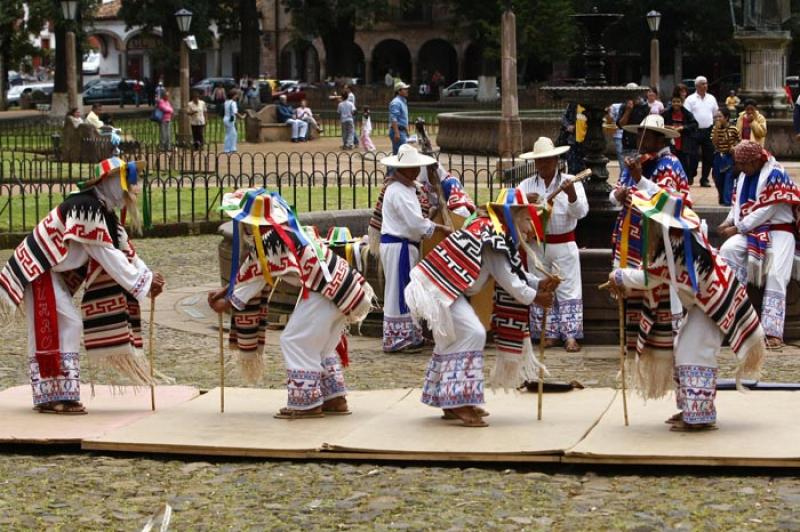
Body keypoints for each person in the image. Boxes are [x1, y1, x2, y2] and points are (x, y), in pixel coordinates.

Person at [0, 157, 166, 414]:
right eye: (124, 184)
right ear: (110, 183)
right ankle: (55, 395)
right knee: (64, 324)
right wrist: (142, 283)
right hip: (39, 269)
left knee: (59, 325)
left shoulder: (104, 213)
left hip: (50, 271)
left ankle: (54, 394)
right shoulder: (85, 207)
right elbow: (103, 253)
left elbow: (125, 251)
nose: (129, 191)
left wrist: (147, 275)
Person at [208, 189, 374, 419]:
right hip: (344, 288)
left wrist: (225, 302)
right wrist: (226, 291)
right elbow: (251, 270)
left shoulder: (268, 242)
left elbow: (251, 280)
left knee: (295, 340)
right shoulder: (284, 231)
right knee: (322, 345)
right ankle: (334, 399)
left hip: (324, 292)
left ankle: (305, 403)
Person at [608, 189, 764, 432]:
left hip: (710, 308)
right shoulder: (679, 242)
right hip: (707, 304)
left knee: (694, 353)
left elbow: (649, 278)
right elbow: (655, 273)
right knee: (684, 350)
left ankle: (700, 416)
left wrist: (618, 275)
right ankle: (692, 410)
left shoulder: (678, 246)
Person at [405, 189, 557, 427]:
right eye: (527, 219)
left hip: (440, 286)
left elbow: (512, 271)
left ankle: (449, 399)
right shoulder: (493, 236)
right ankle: (459, 401)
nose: (531, 227)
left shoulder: (493, 231)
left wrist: (538, 283)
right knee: (473, 333)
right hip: (438, 288)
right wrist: (537, 296)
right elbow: (509, 280)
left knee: (453, 338)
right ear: (513, 216)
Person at [611, 114, 692, 348]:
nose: (641, 139)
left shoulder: (670, 164)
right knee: (630, 284)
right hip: (631, 234)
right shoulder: (636, 160)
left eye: (647, 136)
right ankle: (632, 334)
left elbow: (668, 201)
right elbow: (617, 191)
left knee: (659, 282)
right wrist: (618, 195)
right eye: (639, 134)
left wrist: (640, 179)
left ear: (659, 140)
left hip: (658, 237)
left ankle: (664, 336)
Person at [718, 140, 800, 348]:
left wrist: (737, 228)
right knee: (727, 250)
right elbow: (736, 204)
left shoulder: (775, 173)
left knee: (776, 274)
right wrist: (728, 221)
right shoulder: (745, 175)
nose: (740, 168)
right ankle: (733, 319)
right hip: (753, 230)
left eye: (743, 164)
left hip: (780, 230)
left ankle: (773, 332)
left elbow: (768, 210)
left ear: (755, 160)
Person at [376, 144, 451, 353]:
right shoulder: (398, 191)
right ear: (405, 169)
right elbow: (415, 223)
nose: (418, 171)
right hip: (399, 245)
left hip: (404, 245)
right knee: (400, 292)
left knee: (408, 291)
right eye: (415, 167)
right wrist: (439, 228)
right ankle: (399, 338)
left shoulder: (407, 189)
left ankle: (411, 333)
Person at [518, 137, 588, 352]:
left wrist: (572, 194)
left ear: (556, 160)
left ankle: (570, 336)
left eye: (548, 160)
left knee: (568, 288)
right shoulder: (526, 184)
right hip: (537, 245)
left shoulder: (570, 181)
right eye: (539, 161)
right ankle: (546, 333)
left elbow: (582, 212)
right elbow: (512, 211)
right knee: (541, 284)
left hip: (564, 242)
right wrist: (523, 201)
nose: (543, 165)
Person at [683, 75, 719, 187]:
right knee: (693, 156)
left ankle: (704, 179)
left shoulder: (712, 98)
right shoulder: (690, 99)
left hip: (708, 130)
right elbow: (686, 115)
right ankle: (691, 175)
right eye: (703, 83)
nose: (705, 85)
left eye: (706, 83)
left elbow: (715, 114)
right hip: (694, 131)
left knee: (708, 156)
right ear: (697, 86)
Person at [660, 87, 699, 178]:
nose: (676, 104)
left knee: (684, 163)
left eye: (678, 102)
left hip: (683, 143)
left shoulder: (687, 113)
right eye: (674, 102)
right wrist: (668, 127)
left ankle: (684, 180)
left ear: (681, 103)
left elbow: (694, 124)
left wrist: (682, 127)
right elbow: (659, 123)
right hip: (670, 143)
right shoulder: (666, 113)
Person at [710, 107, 740, 206]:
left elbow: (739, 142)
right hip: (719, 156)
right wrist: (717, 130)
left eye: (720, 117)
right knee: (718, 178)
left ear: (726, 118)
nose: (718, 119)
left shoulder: (734, 129)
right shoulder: (715, 129)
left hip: (729, 156)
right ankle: (722, 198)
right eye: (716, 117)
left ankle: (728, 201)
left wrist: (734, 148)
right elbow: (714, 142)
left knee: (729, 178)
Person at [616, 84, 651, 163]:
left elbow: (648, 126)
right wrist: (628, 110)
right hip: (627, 145)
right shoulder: (624, 106)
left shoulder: (644, 107)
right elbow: (621, 125)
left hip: (641, 145)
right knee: (626, 170)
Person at [557, 103, 586, 174]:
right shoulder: (574, 104)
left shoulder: (590, 104)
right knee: (572, 168)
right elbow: (564, 117)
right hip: (573, 141)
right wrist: (568, 126)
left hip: (585, 142)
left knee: (583, 169)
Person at [389, 81, 410, 156]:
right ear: (399, 91)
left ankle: (392, 168)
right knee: (401, 155)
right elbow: (394, 118)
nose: (407, 90)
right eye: (404, 89)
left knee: (398, 154)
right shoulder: (396, 102)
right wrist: (397, 133)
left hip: (401, 131)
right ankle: (392, 168)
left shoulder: (403, 101)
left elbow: (403, 118)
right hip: (398, 131)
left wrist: (406, 130)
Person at [223, 89, 244, 153]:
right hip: (230, 119)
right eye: (236, 95)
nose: (237, 97)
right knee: (231, 134)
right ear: (233, 96)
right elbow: (235, 112)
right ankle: (228, 148)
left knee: (232, 133)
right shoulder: (233, 103)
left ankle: (231, 148)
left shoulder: (226, 102)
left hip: (226, 118)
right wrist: (241, 117)